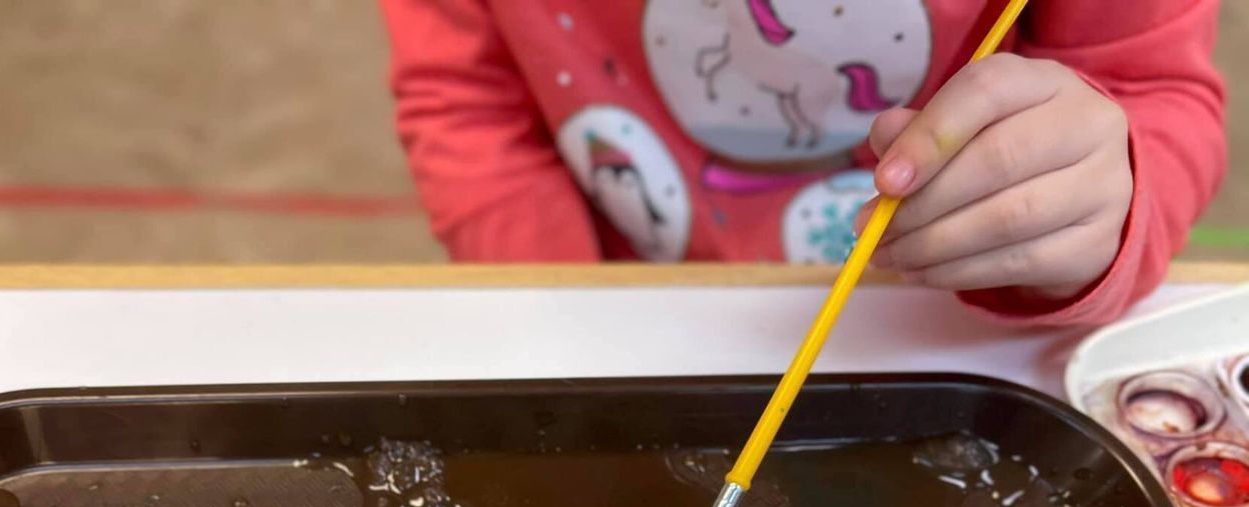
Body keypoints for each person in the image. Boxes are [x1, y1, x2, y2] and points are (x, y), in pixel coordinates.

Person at [376, 1, 1224, 325]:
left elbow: (1150, 89)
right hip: (635, 310)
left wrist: (1089, 199)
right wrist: (581, 322)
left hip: (938, 329)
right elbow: (469, 107)